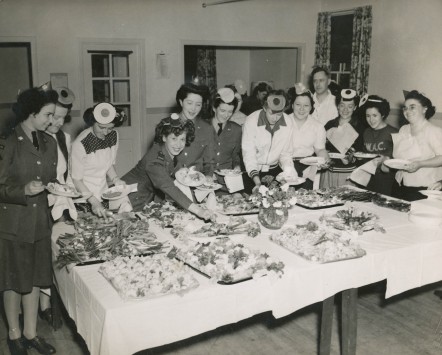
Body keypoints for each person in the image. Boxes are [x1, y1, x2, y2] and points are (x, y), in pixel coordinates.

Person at [0, 87, 58, 355]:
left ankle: (31, 333)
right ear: (31, 113)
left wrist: (58, 188)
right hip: (14, 224)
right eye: (47, 114)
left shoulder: (50, 143)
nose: (51, 120)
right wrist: (22, 190)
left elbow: (50, 180)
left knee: (35, 278)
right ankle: (14, 335)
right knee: (13, 282)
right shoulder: (8, 142)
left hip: (40, 223)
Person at [122, 116, 215, 220]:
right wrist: (198, 211)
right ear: (164, 137)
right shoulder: (154, 160)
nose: (178, 144)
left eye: (182, 139)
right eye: (174, 138)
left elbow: (172, 171)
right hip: (126, 200)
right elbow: (169, 187)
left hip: (141, 199)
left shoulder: (165, 151)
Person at [39, 86, 76, 327]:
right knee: (44, 252)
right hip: (40, 201)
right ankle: (45, 303)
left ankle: (62, 300)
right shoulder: (35, 137)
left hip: (61, 201)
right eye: (54, 116)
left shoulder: (65, 139)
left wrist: (72, 190)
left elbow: (69, 174)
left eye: (63, 118)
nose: (58, 122)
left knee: (61, 250)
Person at [70, 102, 126, 217]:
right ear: (92, 122)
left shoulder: (113, 135)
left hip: (102, 193)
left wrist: (116, 180)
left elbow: (108, 163)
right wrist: (94, 201)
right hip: (84, 198)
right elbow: (76, 179)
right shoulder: (80, 144)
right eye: (101, 127)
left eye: (110, 128)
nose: (105, 132)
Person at [390, 90, 442, 201]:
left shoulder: (434, 131)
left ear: (424, 109)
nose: (407, 111)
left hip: (424, 189)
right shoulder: (403, 129)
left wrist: (420, 164)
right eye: (405, 108)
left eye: (412, 107)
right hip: (400, 184)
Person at [242, 89, 295, 192]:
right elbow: (249, 154)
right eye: (272, 113)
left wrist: (288, 173)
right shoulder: (251, 120)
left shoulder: (288, 122)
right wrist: (257, 183)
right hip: (252, 172)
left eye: (279, 114)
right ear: (265, 107)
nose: (275, 118)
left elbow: (286, 154)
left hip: (274, 171)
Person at [320, 89, 366, 188]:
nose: (345, 110)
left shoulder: (360, 127)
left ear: (355, 107)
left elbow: (362, 153)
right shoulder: (330, 124)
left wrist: (352, 158)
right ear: (337, 106)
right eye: (342, 105)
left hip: (348, 174)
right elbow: (320, 146)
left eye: (350, 106)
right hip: (328, 172)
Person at [286, 85, 329, 189]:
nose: (301, 109)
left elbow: (320, 149)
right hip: (285, 166)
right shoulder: (283, 122)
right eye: (298, 104)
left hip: (308, 169)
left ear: (311, 107)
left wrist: (325, 159)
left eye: (306, 105)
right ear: (292, 105)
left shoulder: (317, 126)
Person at [174, 82, 215, 179]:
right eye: (189, 103)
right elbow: (159, 162)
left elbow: (209, 162)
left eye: (198, 104)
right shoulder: (167, 125)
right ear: (181, 102)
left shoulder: (207, 128)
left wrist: (208, 176)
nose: (193, 108)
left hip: (197, 182)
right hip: (172, 182)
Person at [362, 95, 398, 196]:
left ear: (382, 115)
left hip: (387, 180)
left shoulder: (394, 133)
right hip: (369, 178)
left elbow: (398, 159)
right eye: (367, 116)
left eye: (374, 115)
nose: (371, 120)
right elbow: (364, 155)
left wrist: (386, 159)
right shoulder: (366, 132)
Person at [211, 88, 242, 172]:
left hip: (226, 178)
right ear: (214, 108)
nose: (226, 115)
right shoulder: (202, 127)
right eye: (222, 111)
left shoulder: (237, 129)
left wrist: (237, 166)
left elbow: (235, 155)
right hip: (204, 177)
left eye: (230, 111)